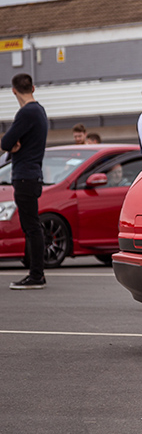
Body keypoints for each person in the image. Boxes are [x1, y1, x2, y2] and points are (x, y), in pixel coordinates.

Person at [1, 74, 49, 289]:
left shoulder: (26, 112)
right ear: (33, 88)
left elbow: (6, 142)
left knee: (31, 227)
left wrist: (12, 144)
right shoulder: (39, 111)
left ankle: (36, 275)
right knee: (32, 225)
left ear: (13, 90)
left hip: (24, 176)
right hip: (33, 174)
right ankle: (36, 273)